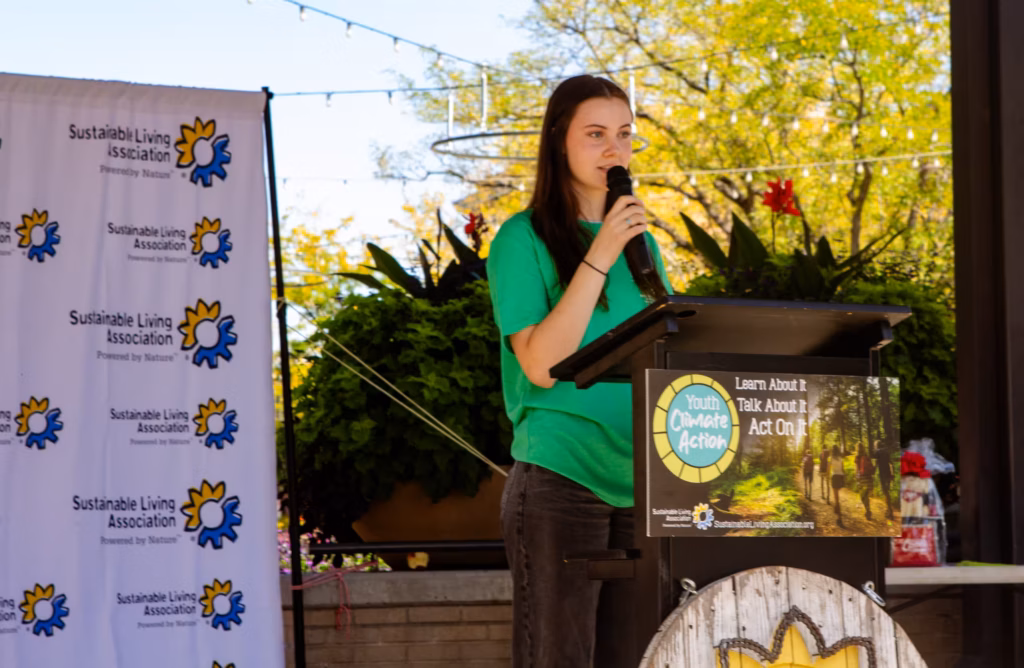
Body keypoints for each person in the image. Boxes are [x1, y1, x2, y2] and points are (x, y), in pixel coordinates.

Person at [487, 74, 671, 668]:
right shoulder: (522, 239)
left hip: (644, 478)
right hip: (561, 480)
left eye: (624, 134)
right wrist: (601, 252)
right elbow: (541, 364)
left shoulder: (646, 245)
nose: (614, 150)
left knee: (638, 656)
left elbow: (667, 347)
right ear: (558, 140)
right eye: (595, 134)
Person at [872, 439, 896, 520]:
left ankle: (890, 511)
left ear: (876, 446)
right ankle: (888, 510)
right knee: (887, 492)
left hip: (883, 475)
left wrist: (873, 472)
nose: (874, 447)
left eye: (874, 446)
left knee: (886, 492)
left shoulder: (877, 452)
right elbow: (891, 463)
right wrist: (893, 474)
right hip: (889, 474)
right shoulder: (886, 451)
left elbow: (876, 463)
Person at [855, 442, 875, 520]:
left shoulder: (857, 457)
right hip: (869, 478)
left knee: (862, 496)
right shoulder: (867, 456)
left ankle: (868, 511)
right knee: (866, 495)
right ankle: (868, 511)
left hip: (862, 479)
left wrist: (856, 477)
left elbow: (856, 469)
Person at [830, 445, 846, 528]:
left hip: (835, 477)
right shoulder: (841, 459)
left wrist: (827, 475)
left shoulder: (831, 458)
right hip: (840, 477)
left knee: (837, 499)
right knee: (836, 496)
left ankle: (839, 519)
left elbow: (828, 469)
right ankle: (836, 508)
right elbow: (843, 469)